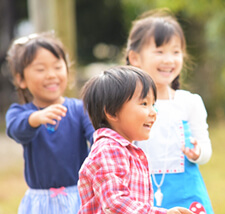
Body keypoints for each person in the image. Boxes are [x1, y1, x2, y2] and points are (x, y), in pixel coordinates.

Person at [125, 9, 214, 214]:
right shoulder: (127, 105)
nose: (169, 60)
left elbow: (206, 149)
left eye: (175, 52)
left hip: (188, 194)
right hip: (141, 193)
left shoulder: (189, 102)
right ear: (135, 58)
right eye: (159, 51)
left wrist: (197, 153)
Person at [78, 66, 193, 214]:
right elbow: (115, 203)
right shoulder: (109, 149)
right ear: (112, 112)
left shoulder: (125, 150)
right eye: (144, 104)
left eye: (153, 104)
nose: (153, 112)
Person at [5, 32, 95, 214]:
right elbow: (15, 128)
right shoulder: (20, 112)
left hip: (78, 197)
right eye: (40, 69)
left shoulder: (79, 109)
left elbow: (97, 136)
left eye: (57, 67)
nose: (51, 75)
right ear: (20, 79)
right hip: (40, 202)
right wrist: (35, 118)